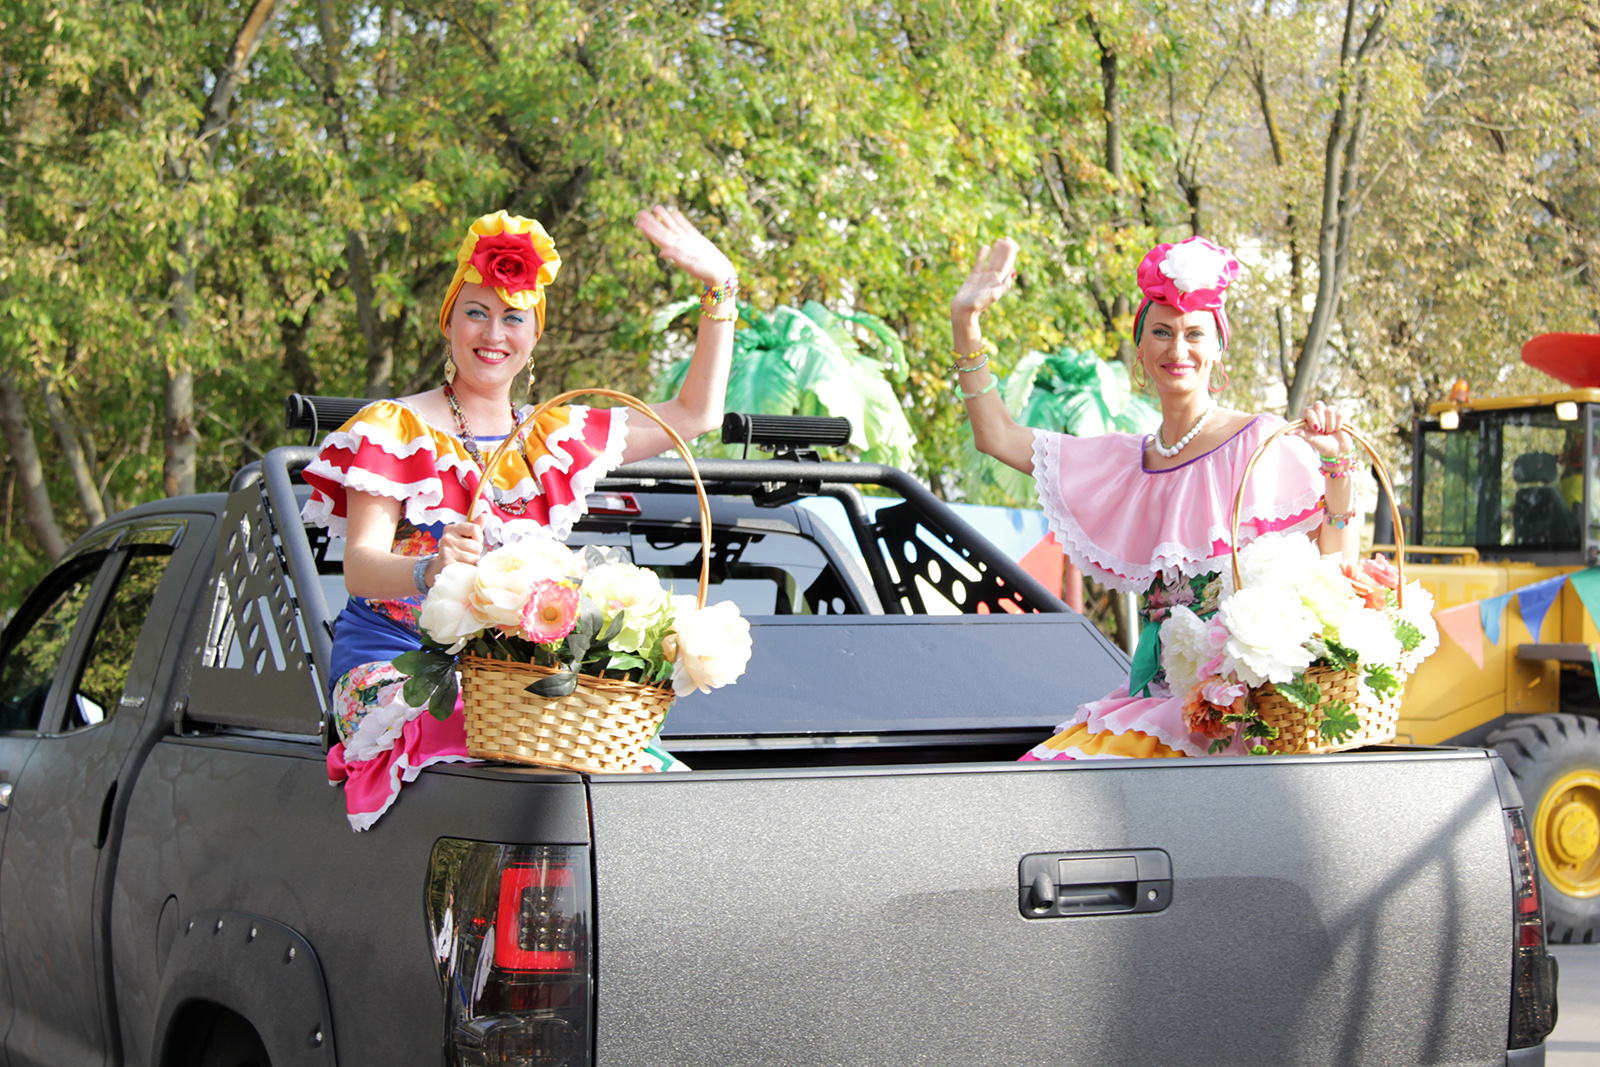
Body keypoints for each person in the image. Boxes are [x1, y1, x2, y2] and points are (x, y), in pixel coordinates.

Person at [302, 207, 737, 829]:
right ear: (447, 319)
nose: (493, 333)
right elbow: (361, 570)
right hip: (395, 663)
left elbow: (694, 414)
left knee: (639, 774)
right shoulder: (391, 429)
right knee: (485, 734)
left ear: (534, 337)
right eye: (476, 311)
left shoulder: (553, 436)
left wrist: (721, 288)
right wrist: (429, 568)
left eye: (513, 318)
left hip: (504, 677)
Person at [949, 235, 1361, 759]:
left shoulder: (1259, 441)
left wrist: (1338, 465)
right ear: (1141, 349)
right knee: (1044, 778)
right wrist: (966, 322)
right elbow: (997, 437)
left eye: (1194, 333)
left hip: (1242, 716)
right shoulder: (1125, 461)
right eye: (1162, 333)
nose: (1178, 349)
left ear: (1217, 347)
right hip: (1157, 704)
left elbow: (1336, 577)